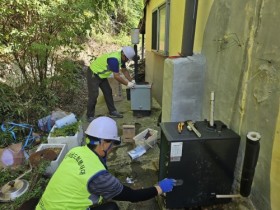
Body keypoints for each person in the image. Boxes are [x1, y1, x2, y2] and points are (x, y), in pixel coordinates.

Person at [36, 116, 175, 210]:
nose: (112, 148)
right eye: (113, 144)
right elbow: (132, 196)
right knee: (112, 208)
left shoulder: (76, 151)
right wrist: (159, 188)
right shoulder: (98, 176)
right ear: (103, 143)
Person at [87, 46, 136, 122]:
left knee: (108, 92)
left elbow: (124, 70)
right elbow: (116, 76)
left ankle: (112, 112)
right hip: (93, 73)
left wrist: (132, 80)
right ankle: (89, 116)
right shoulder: (114, 60)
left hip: (102, 76)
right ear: (124, 55)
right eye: (127, 59)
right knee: (93, 95)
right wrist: (128, 84)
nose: (127, 61)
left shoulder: (122, 59)